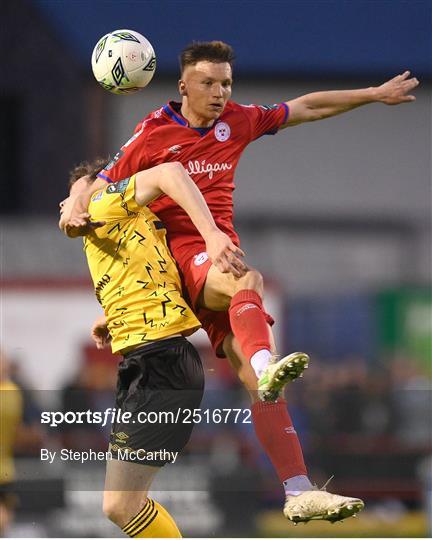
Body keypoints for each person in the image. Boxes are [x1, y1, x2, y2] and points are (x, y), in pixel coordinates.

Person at [64, 40, 420, 523]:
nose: (218, 92)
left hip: (212, 262)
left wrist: (372, 93)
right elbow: (99, 180)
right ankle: (264, 357)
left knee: (259, 386)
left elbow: (307, 106)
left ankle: (297, 489)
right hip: (188, 258)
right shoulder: (152, 134)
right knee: (245, 278)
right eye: (208, 83)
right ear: (183, 84)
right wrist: (76, 197)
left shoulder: (238, 120)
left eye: (226, 83)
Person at [60, 158, 308, 536]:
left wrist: (210, 233)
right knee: (121, 505)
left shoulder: (105, 201)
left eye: (71, 192)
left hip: (159, 363)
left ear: (93, 186)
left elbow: (169, 172)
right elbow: (156, 282)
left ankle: (261, 362)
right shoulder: (133, 224)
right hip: (154, 361)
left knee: (120, 505)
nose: (65, 203)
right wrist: (111, 318)